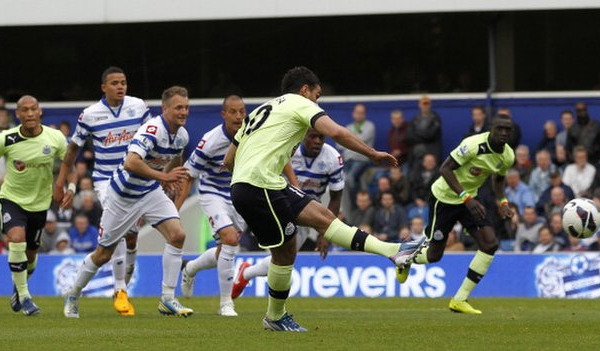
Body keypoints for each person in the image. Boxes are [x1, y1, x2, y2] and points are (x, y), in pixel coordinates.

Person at [224, 66, 421, 332]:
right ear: (305, 89)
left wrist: (248, 178)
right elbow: (337, 132)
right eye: (317, 95)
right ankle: (275, 317)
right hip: (259, 186)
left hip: (265, 182)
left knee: (323, 217)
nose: (317, 102)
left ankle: (394, 251)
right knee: (285, 252)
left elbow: (228, 160)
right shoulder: (299, 103)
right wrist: (372, 154)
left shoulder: (262, 109)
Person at [63, 86, 192, 319]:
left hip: (149, 192)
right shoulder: (152, 130)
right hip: (122, 196)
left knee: (177, 235)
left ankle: (168, 299)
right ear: (165, 109)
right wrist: (164, 176)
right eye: (178, 108)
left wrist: (169, 178)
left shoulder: (182, 135)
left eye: (186, 107)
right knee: (102, 254)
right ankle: (73, 295)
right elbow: (131, 163)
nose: (183, 112)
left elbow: (176, 158)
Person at [55, 66, 151, 316]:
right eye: (115, 83)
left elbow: (154, 138)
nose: (121, 86)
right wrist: (65, 182)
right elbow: (72, 151)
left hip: (135, 179)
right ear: (103, 87)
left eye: (124, 82)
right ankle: (118, 290)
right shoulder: (90, 115)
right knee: (117, 233)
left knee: (131, 237)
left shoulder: (138, 107)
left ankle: (121, 286)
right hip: (106, 180)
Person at [396, 114, 515, 314]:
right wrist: (466, 198)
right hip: (444, 199)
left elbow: (499, 180)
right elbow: (445, 169)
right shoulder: (473, 145)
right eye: (500, 128)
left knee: (490, 243)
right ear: (490, 128)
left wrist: (502, 201)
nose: (503, 133)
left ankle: (459, 299)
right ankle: (405, 257)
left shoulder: (508, 156)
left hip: (469, 201)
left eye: (507, 130)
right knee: (434, 255)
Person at [231, 127, 345, 299]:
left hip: (307, 213)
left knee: (283, 260)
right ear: (303, 135)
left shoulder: (333, 158)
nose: (317, 141)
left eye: (321, 137)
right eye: (312, 136)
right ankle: (256, 284)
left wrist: (325, 234)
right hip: (279, 205)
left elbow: (336, 198)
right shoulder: (289, 150)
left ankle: (246, 273)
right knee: (282, 259)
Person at [174, 95, 248, 317]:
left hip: (239, 194)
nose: (238, 116)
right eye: (233, 112)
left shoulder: (252, 134)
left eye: (242, 111)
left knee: (226, 248)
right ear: (223, 114)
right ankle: (226, 303)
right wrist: (174, 211)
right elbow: (189, 175)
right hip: (212, 193)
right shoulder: (211, 141)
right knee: (230, 240)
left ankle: (191, 268)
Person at [0, 95, 71, 316]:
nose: (30, 113)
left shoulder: (55, 138)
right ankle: (25, 296)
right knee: (16, 239)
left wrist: (70, 188)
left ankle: (18, 286)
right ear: (17, 115)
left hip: (40, 205)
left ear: (40, 112)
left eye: (33, 109)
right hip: (12, 199)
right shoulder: (6, 138)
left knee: (30, 256)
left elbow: (70, 163)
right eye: (25, 110)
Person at [337, 103, 375, 205]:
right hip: (348, 159)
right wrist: (350, 140)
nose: (359, 115)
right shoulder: (349, 127)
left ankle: (356, 204)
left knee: (351, 178)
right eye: (357, 112)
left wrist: (347, 139)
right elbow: (339, 144)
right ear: (353, 114)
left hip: (361, 159)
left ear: (365, 114)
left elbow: (361, 140)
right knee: (345, 181)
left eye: (361, 113)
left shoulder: (369, 126)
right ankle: (351, 205)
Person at [407, 96, 442, 168]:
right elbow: (410, 136)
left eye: (427, 104)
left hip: (431, 154)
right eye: (423, 104)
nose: (425, 106)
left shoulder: (435, 118)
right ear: (419, 105)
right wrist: (423, 134)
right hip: (416, 154)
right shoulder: (415, 119)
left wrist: (417, 133)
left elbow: (430, 135)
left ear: (430, 105)